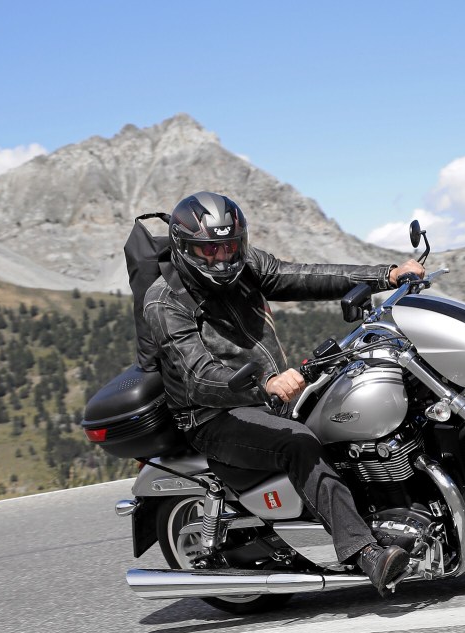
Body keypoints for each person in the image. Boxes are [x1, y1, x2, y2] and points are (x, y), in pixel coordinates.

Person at [143, 191, 424, 597]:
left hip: (270, 398)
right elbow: (198, 376)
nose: (223, 259)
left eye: (230, 246)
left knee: (357, 404)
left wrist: (386, 274)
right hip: (212, 415)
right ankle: (365, 552)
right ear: (185, 249)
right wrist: (263, 384)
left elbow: (303, 275)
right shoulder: (165, 301)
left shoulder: (246, 266)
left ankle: (401, 512)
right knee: (299, 445)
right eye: (211, 250)